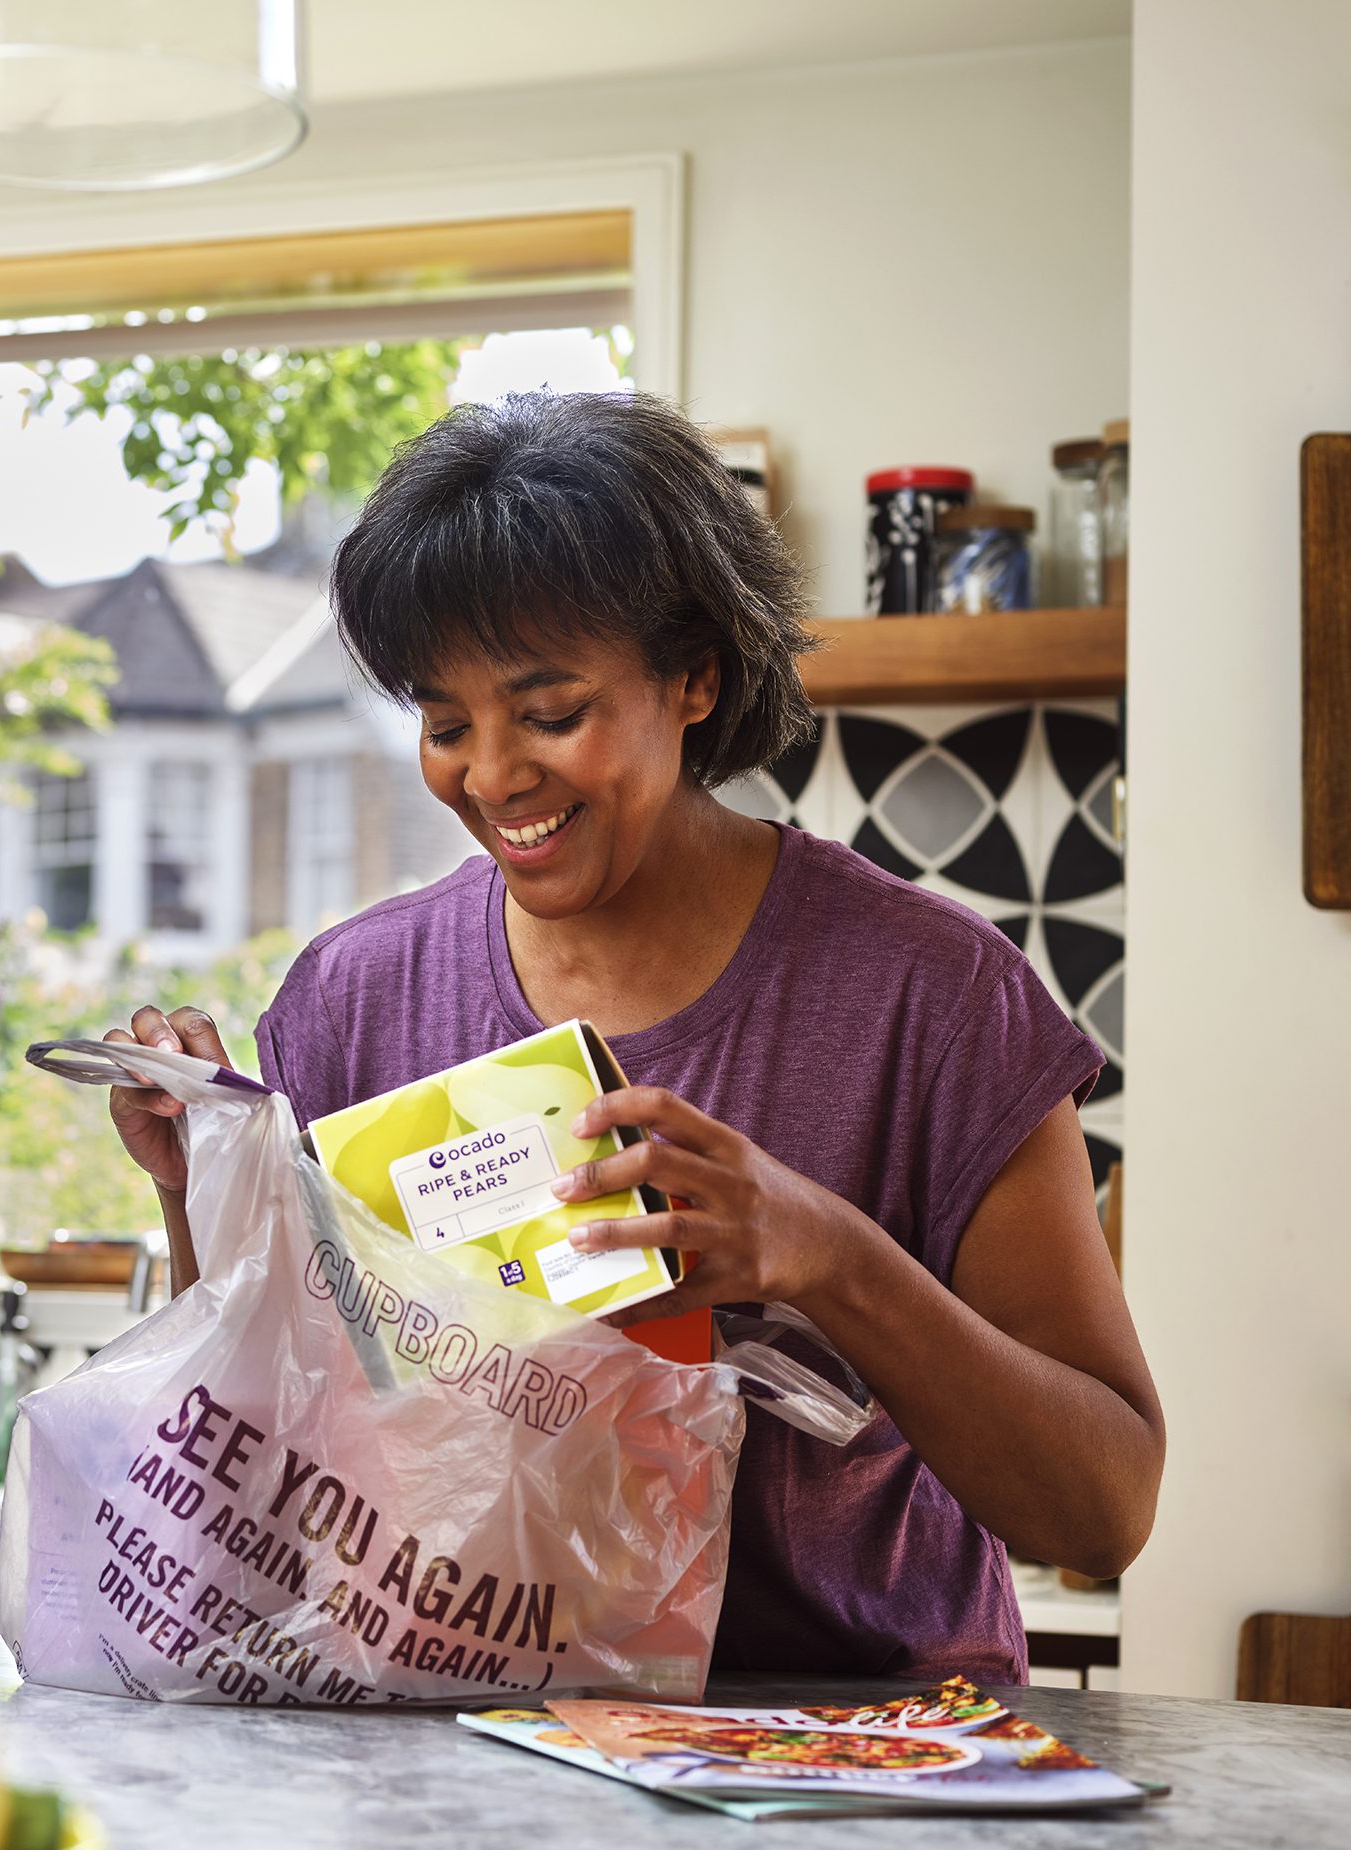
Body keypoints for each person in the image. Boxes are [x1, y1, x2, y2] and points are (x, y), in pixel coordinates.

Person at [106, 391, 1163, 1684]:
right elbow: (266, 1453)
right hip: (471, 1742)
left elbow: (1103, 1512)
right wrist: (201, 1192)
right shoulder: (354, 1000)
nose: (492, 777)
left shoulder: (935, 998)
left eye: (551, 714)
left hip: (858, 1765)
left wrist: (830, 1257)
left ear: (694, 677)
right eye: (446, 726)